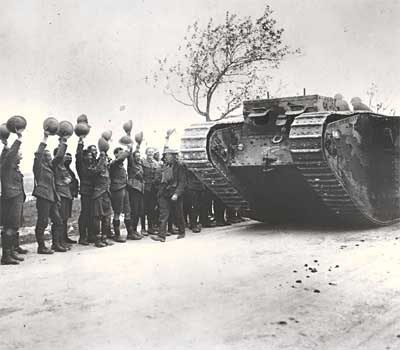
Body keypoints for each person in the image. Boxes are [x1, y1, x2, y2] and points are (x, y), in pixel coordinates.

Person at [32, 131, 68, 254]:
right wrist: (45, 138)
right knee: (42, 222)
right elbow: (38, 155)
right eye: (47, 157)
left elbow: (58, 157)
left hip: (52, 197)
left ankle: (55, 244)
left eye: (50, 157)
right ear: (43, 158)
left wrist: (63, 142)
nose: (50, 158)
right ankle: (41, 247)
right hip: (43, 197)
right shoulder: (38, 167)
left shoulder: (50, 167)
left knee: (58, 221)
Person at [151, 148, 187, 242]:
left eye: (168, 155)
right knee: (163, 214)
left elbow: (182, 182)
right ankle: (161, 236)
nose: (166, 157)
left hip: (174, 193)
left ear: (173, 156)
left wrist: (176, 194)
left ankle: (182, 232)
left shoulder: (180, 166)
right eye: (166, 155)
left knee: (178, 213)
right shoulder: (165, 165)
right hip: (165, 192)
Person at [1, 130, 25, 264]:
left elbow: (7, 155)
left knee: (11, 227)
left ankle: (9, 253)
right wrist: (19, 139)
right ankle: (6, 256)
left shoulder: (11, 167)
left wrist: (5, 146)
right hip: (12, 198)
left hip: (15, 197)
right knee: (11, 227)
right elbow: (9, 156)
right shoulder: (7, 166)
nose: (20, 155)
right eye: (19, 153)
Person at [53, 140, 74, 250]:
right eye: (63, 155)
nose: (65, 157)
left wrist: (68, 179)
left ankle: (63, 240)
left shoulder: (63, 166)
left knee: (64, 219)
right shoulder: (55, 165)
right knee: (59, 219)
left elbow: (69, 177)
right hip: (60, 195)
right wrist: (62, 144)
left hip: (66, 194)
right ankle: (58, 242)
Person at [90, 149, 113, 248]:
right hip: (98, 194)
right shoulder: (96, 168)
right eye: (104, 159)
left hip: (106, 195)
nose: (106, 161)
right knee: (97, 217)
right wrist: (102, 156)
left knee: (106, 217)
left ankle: (104, 237)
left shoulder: (107, 170)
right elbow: (98, 170)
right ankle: (97, 239)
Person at [75, 137, 95, 245]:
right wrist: (80, 143)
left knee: (92, 214)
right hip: (85, 191)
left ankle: (91, 235)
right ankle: (82, 237)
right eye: (88, 156)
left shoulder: (92, 165)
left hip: (93, 191)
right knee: (85, 214)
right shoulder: (80, 165)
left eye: (91, 156)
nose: (90, 157)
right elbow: (78, 155)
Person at [109, 147, 131, 243]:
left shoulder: (121, 165)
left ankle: (130, 233)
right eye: (120, 153)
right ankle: (117, 235)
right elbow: (122, 158)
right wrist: (129, 149)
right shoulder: (114, 163)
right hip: (117, 189)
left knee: (127, 210)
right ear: (116, 154)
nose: (122, 154)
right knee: (117, 212)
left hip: (124, 188)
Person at [142, 147, 160, 235]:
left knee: (152, 209)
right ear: (146, 153)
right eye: (149, 152)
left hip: (153, 189)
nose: (150, 154)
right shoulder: (143, 162)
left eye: (152, 152)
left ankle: (151, 227)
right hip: (145, 188)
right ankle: (143, 228)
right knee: (143, 209)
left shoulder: (156, 164)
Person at [126, 148, 144, 240]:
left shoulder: (140, 165)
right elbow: (130, 158)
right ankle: (131, 232)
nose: (138, 158)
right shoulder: (131, 165)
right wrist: (130, 147)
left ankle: (135, 230)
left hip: (140, 190)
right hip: (133, 190)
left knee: (139, 211)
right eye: (136, 156)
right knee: (134, 211)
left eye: (139, 156)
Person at [63, 152, 79, 244]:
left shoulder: (69, 170)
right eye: (67, 158)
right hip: (64, 196)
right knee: (62, 218)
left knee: (65, 218)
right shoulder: (62, 169)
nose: (69, 160)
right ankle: (61, 238)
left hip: (69, 196)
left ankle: (64, 237)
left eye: (70, 158)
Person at [183, 169, 204, 233]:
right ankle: (193, 225)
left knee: (197, 207)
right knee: (194, 207)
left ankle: (193, 224)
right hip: (192, 187)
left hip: (198, 187)